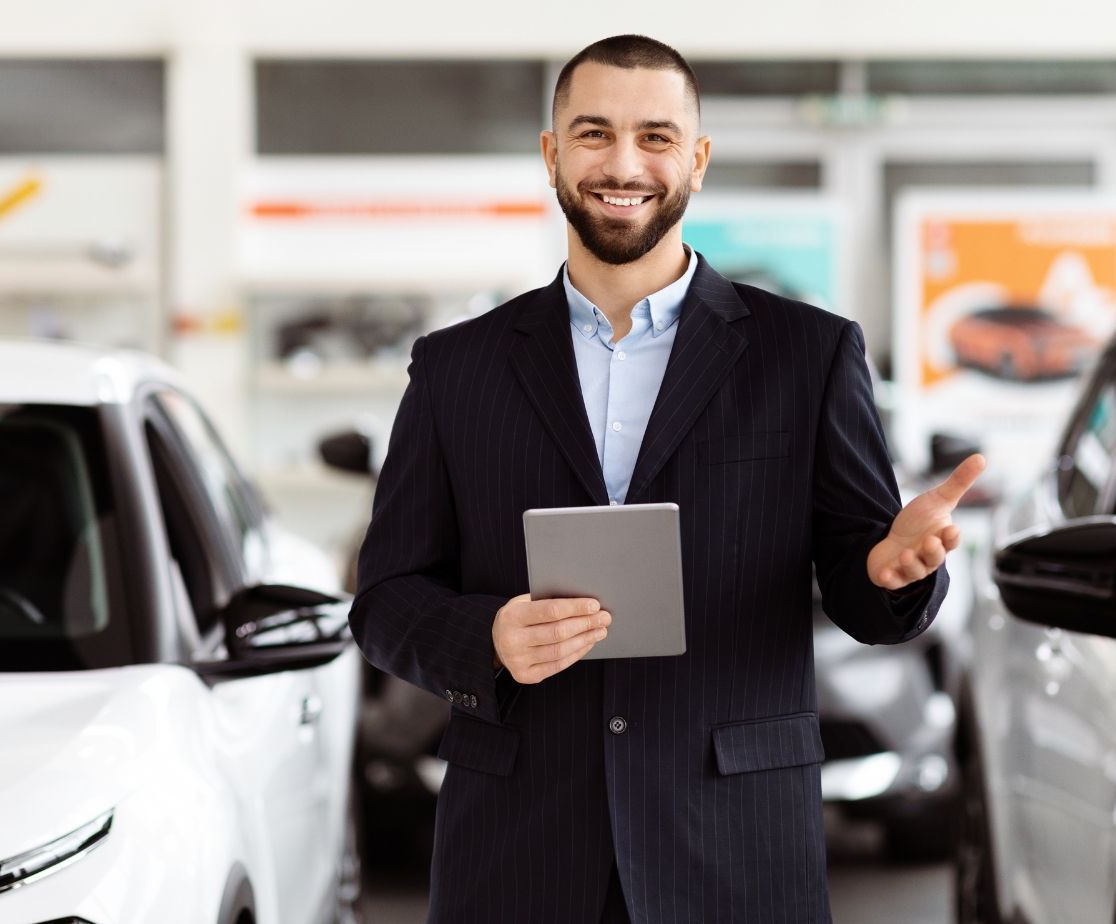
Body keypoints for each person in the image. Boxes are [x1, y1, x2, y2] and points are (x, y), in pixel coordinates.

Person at [350, 34, 987, 924]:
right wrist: (485, 637)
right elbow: (383, 600)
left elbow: (860, 574)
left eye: (655, 136)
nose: (623, 163)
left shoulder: (807, 355)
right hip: (517, 853)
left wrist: (891, 572)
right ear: (552, 154)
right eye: (593, 133)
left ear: (697, 159)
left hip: (734, 847)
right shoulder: (457, 369)